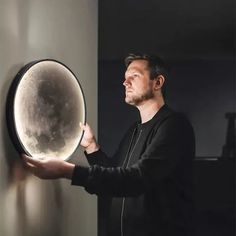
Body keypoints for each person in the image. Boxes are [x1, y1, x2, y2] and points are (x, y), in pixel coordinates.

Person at [23, 53, 195, 236]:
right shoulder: (134, 130)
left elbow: (137, 179)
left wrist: (68, 171)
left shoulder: (175, 126)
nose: (125, 82)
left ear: (158, 82)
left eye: (134, 76)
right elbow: (116, 176)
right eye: (125, 78)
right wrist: (91, 147)